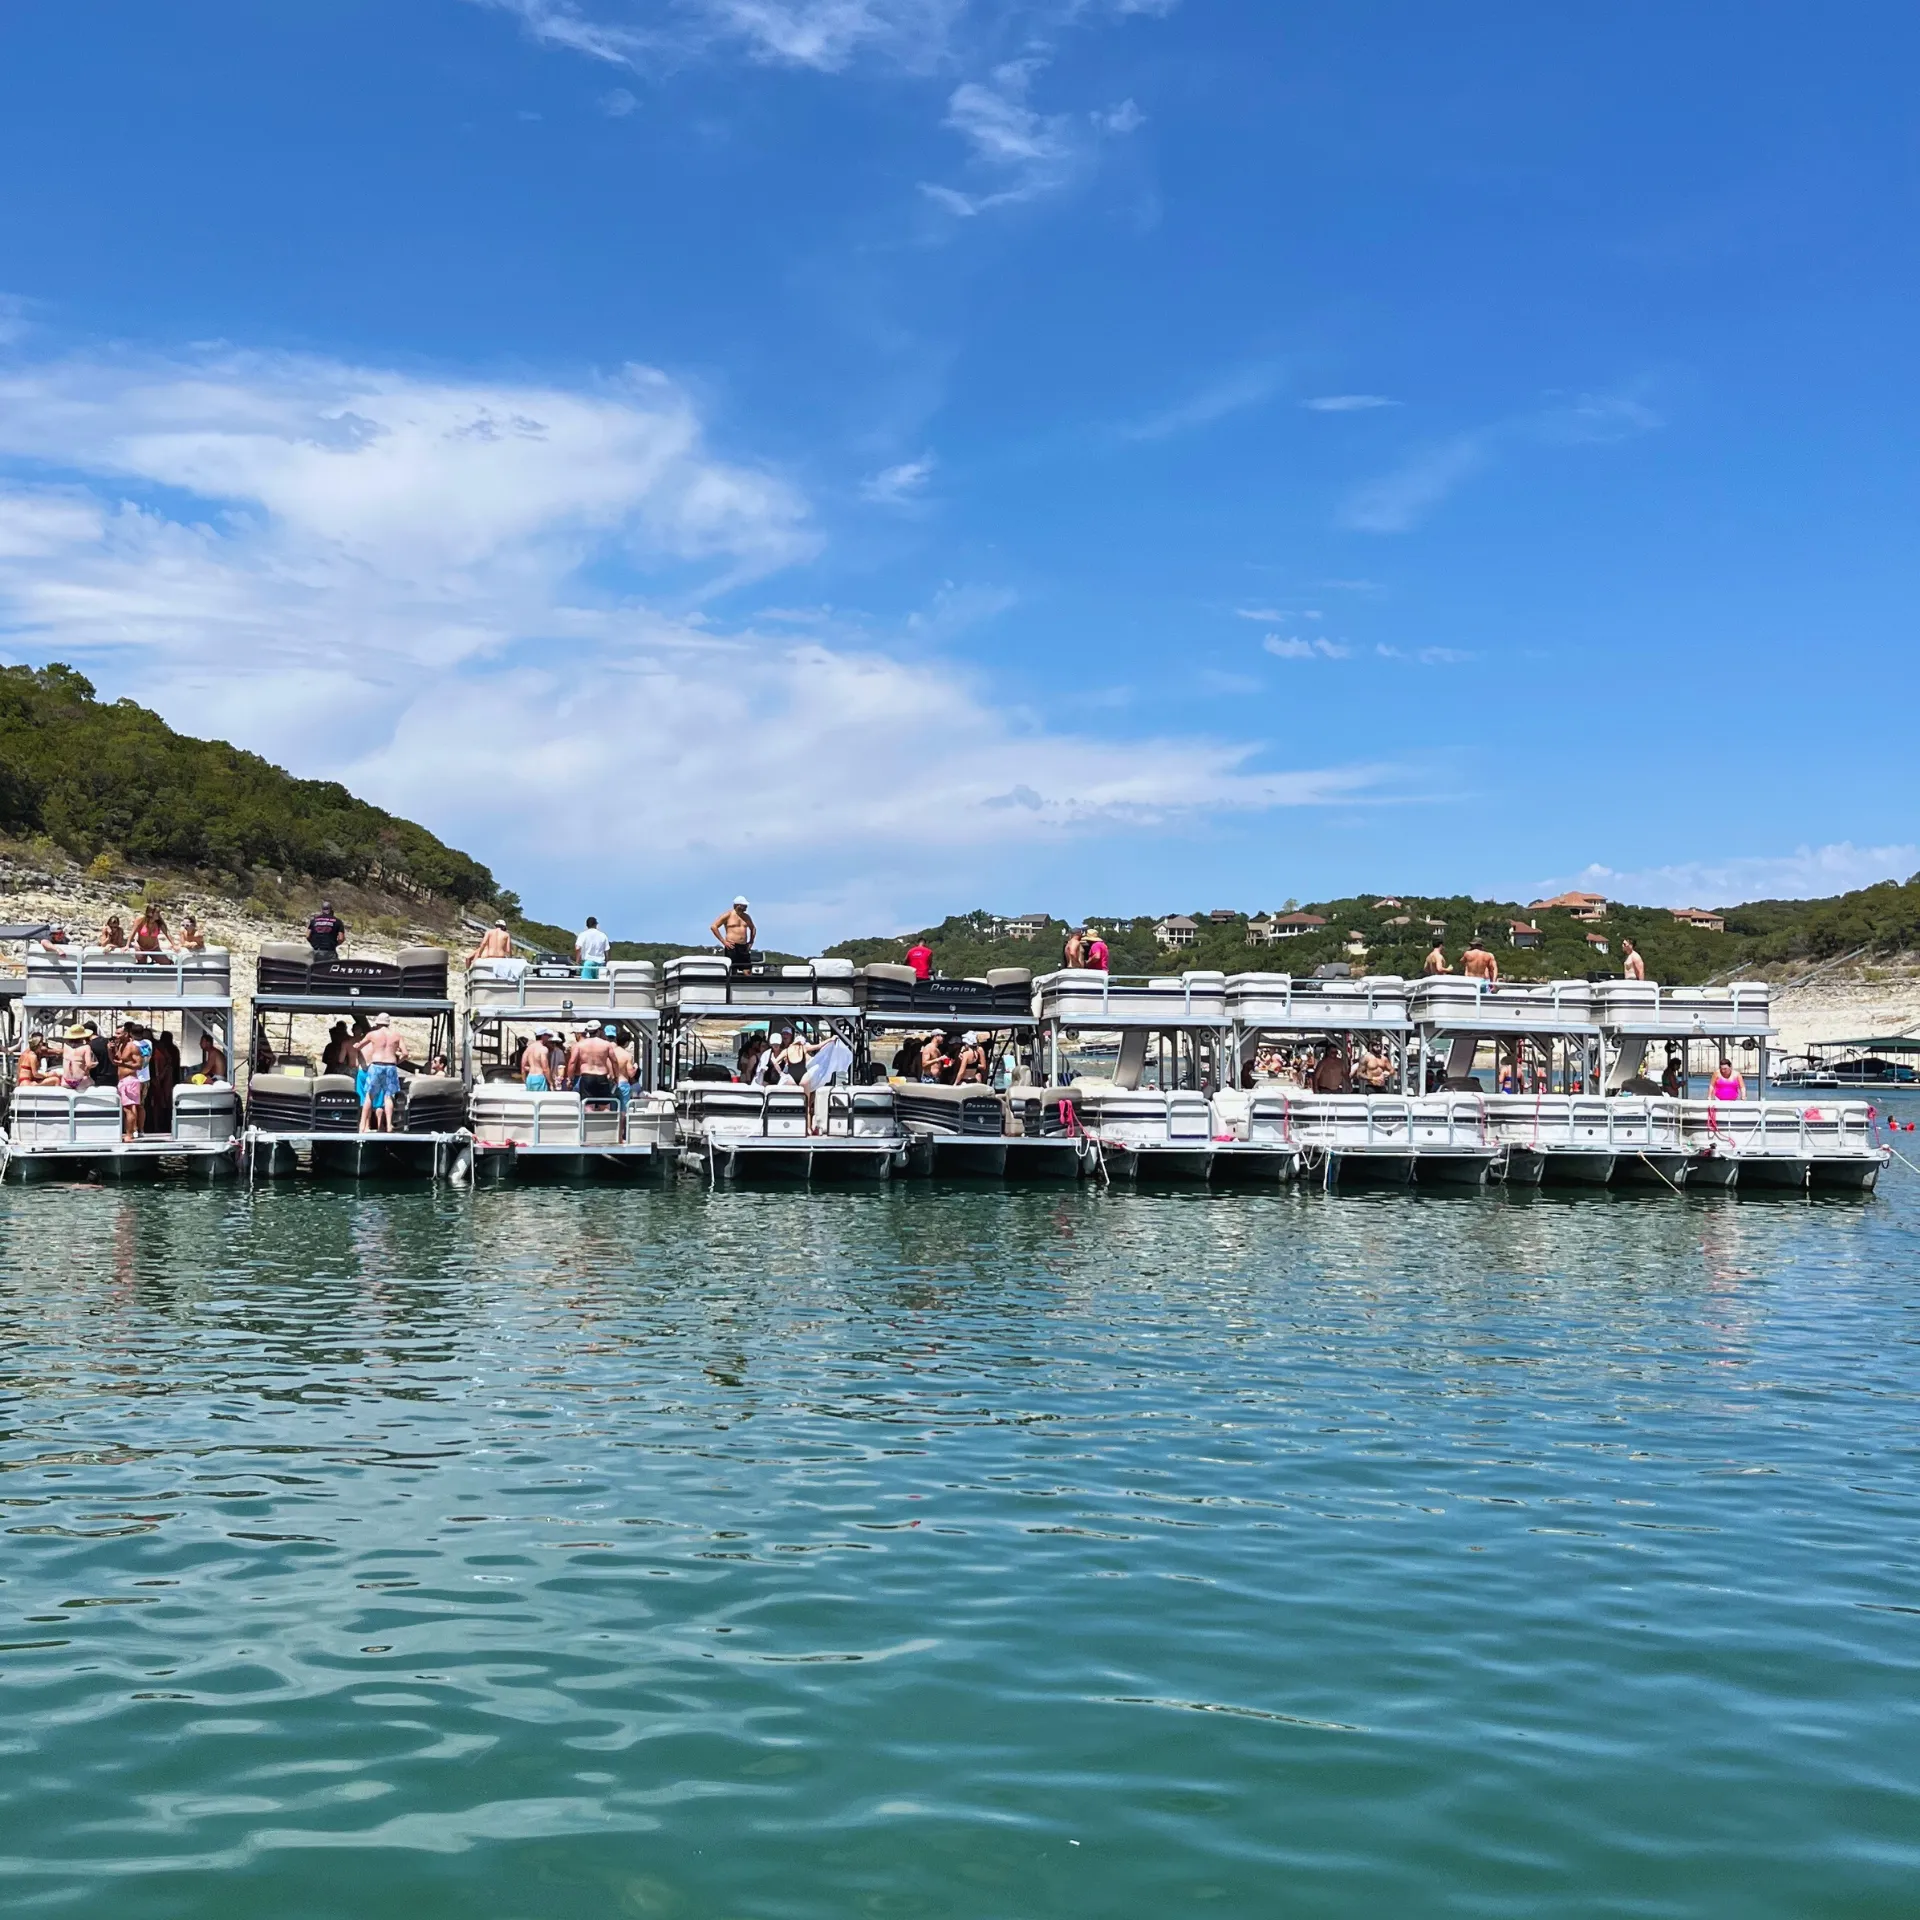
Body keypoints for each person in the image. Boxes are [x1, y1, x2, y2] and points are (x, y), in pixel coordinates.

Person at [356, 1013, 408, 1132]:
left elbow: (359, 1047)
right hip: (391, 1066)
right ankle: (389, 1125)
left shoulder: (372, 1034)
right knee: (388, 1096)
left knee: (369, 1095)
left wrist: (356, 1045)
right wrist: (396, 1062)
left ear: (377, 1023)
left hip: (376, 1065)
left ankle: (362, 1125)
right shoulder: (396, 1036)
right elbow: (405, 1053)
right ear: (388, 1023)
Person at [565, 1023, 619, 1101]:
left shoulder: (580, 1045)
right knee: (604, 1106)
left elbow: (572, 1062)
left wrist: (570, 1079)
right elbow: (614, 1061)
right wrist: (616, 1076)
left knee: (588, 1106)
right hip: (602, 1076)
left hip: (587, 1076)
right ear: (599, 1031)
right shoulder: (606, 1044)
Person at [114, 1024, 145, 1139]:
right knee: (127, 1109)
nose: (115, 1035)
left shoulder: (133, 1047)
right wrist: (110, 1049)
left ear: (126, 1034)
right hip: (122, 1080)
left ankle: (130, 1134)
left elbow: (139, 1065)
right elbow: (115, 1062)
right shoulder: (121, 1045)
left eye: (118, 1033)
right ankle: (130, 1133)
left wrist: (123, 1063)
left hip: (130, 1080)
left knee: (130, 1109)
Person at [147, 1031, 181, 1134]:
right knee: (162, 1103)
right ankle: (162, 1125)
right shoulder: (169, 1049)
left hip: (163, 1079)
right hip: (163, 1079)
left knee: (160, 1103)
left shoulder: (159, 1048)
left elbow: (169, 1064)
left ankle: (160, 1125)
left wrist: (159, 1076)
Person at [711, 896, 756, 973]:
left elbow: (753, 928)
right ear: (738, 905)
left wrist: (751, 941)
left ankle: (747, 984)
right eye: (744, 906)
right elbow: (714, 926)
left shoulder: (746, 917)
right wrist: (724, 941)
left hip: (744, 946)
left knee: (747, 970)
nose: (746, 908)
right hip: (732, 946)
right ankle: (732, 983)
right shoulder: (728, 915)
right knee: (732, 969)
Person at [60, 1025, 95, 1090]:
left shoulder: (65, 1045)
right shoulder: (86, 1047)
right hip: (80, 1080)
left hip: (66, 1081)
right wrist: (95, 1064)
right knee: (93, 1082)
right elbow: (89, 1064)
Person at [575, 916, 610, 980]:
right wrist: (607, 963)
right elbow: (606, 951)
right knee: (601, 987)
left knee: (587, 986)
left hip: (588, 963)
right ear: (596, 925)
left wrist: (577, 961)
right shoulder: (603, 935)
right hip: (600, 964)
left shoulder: (583, 934)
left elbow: (577, 948)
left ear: (587, 925)